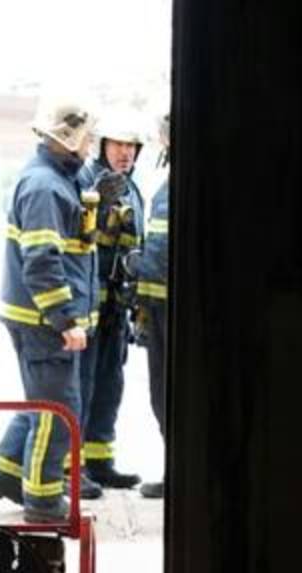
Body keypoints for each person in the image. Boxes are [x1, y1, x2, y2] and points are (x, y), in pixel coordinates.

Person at [0, 99, 107, 522]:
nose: (91, 147)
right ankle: (43, 500)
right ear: (68, 140)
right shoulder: (45, 188)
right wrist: (65, 319)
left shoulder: (57, 180)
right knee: (59, 409)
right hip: (44, 322)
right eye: (87, 139)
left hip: (39, 319)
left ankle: (5, 472)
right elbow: (42, 261)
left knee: (42, 400)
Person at [74, 114, 147, 490]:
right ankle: (75, 468)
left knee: (109, 384)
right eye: (118, 144)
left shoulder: (133, 189)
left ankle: (101, 462)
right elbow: (75, 239)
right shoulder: (86, 182)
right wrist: (97, 205)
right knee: (81, 385)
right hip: (90, 305)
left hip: (118, 308)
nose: (125, 153)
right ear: (102, 145)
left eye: (132, 146)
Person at [137, 114, 171, 499]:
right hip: (157, 311)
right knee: (160, 395)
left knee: (172, 396)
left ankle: (181, 471)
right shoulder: (168, 184)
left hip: (176, 314)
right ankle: (175, 468)